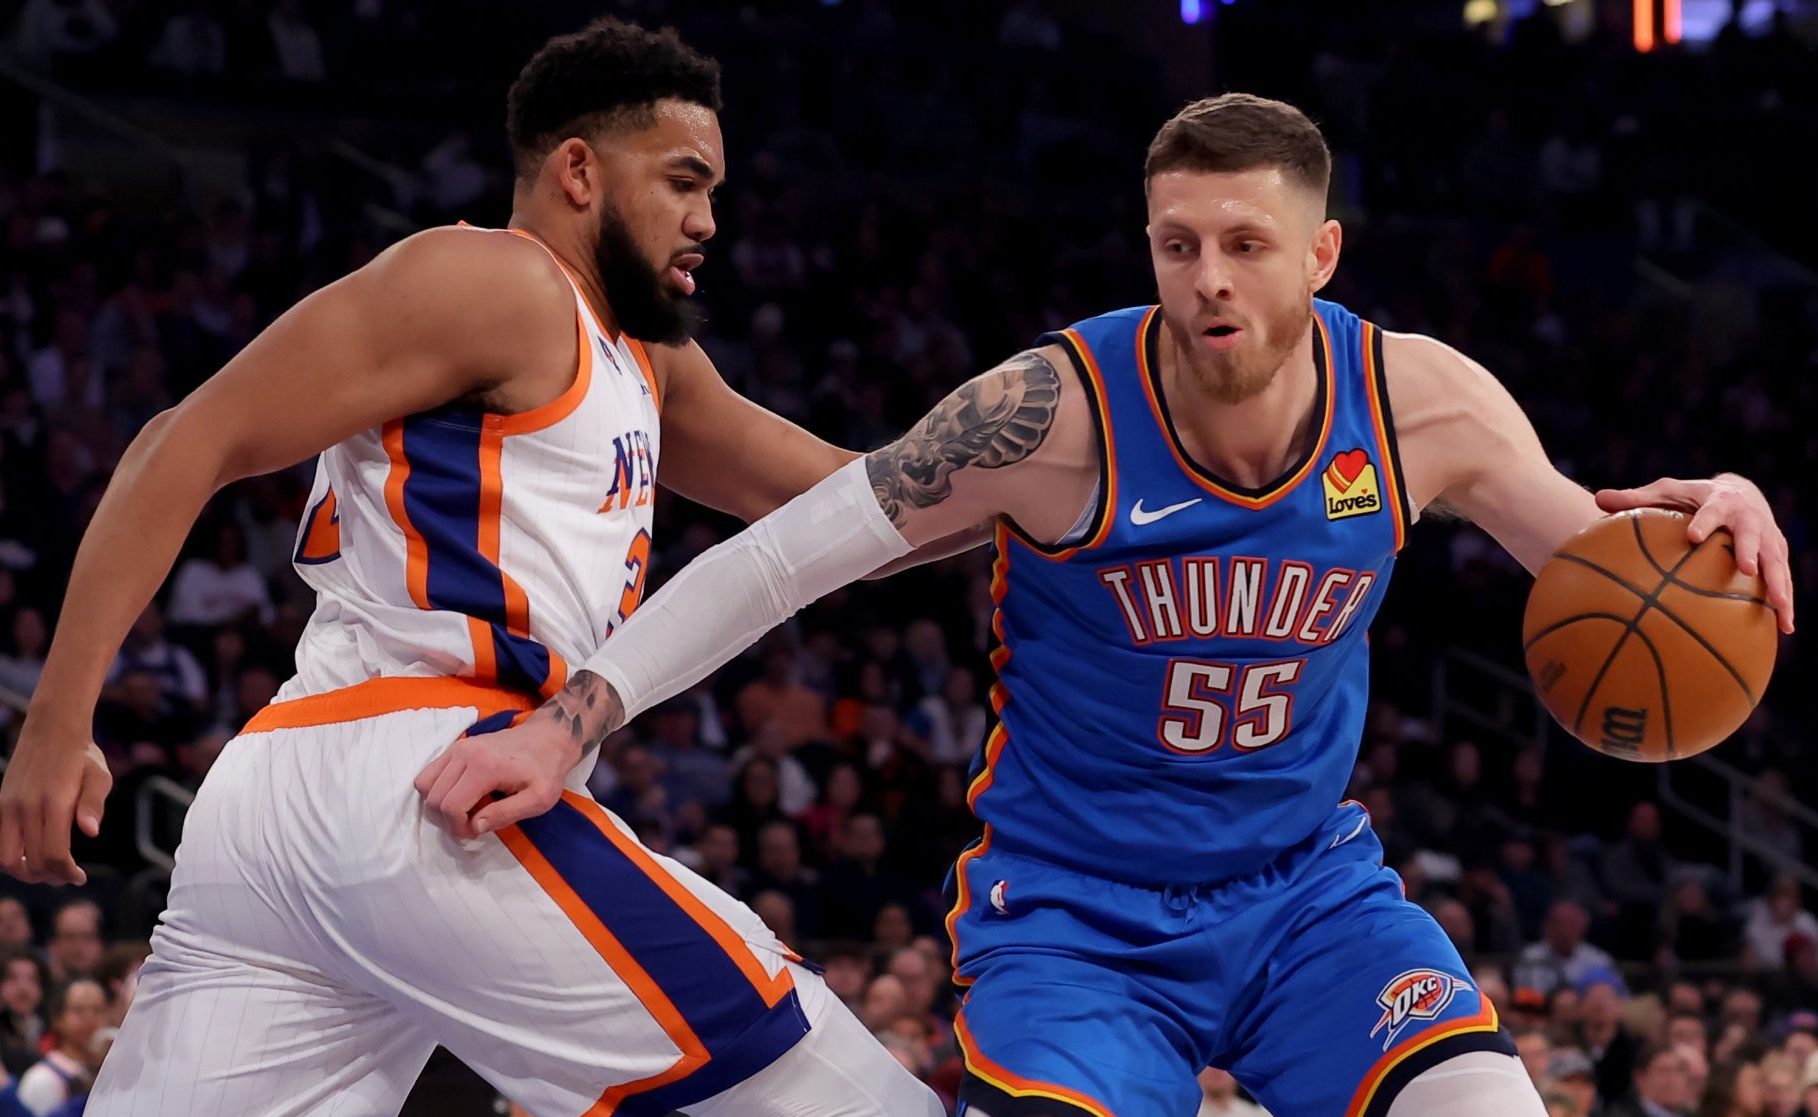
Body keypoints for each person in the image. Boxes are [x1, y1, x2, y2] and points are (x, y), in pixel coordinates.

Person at [421, 94, 1794, 1116]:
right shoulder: (1043, 417)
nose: (1207, 278)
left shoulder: (1421, 403)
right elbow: (784, 557)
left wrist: (1711, 511)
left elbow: (1598, 562)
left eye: (1245, 243)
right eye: (1177, 243)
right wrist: (569, 722)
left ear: (1320, 254)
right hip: (1077, 913)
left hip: (1304, 893)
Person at [0, 17, 941, 1117]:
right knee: (849, 1098)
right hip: (423, 773)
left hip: (290, 803)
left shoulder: (646, 361)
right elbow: (187, 439)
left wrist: (1069, 486)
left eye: (717, 192)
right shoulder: (496, 279)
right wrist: (58, 721)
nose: (707, 222)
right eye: (685, 182)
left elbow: (851, 502)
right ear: (578, 171)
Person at [12, 979, 105, 1117]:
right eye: (79, 1010)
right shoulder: (42, 1079)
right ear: (57, 1018)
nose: (90, 1018)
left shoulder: (109, 1072)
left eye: (97, 1010)